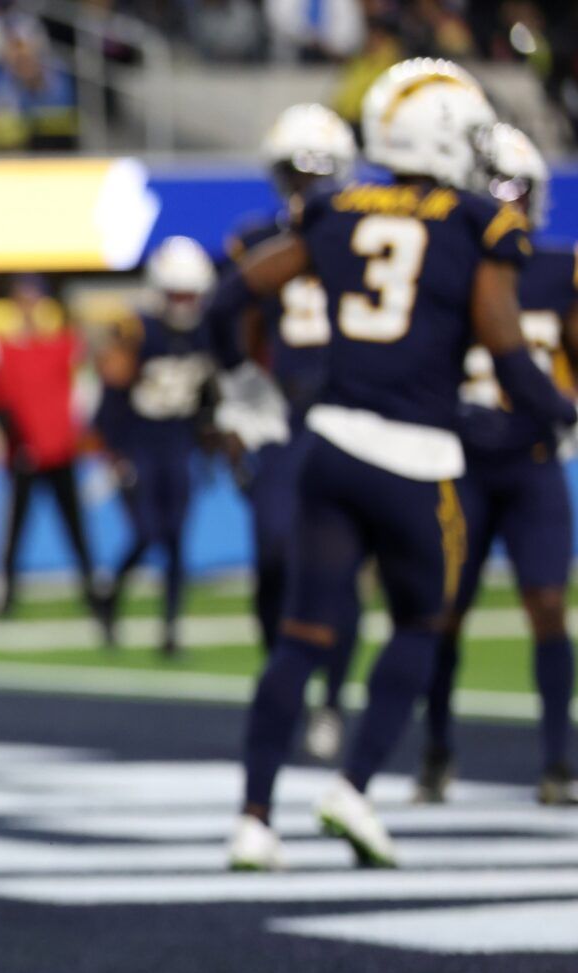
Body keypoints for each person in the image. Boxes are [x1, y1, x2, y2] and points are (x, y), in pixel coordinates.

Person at [211, 61, 575, 873]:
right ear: (444, 132)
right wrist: (560, 410)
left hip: (331, 444)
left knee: (300, 639)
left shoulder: (337, 206)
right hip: (419, 457)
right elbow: (513, 358)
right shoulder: (480, 223)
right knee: (419, 625)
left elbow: (226, 301)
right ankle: (353, 787)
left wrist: (241, 389)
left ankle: (254, 820)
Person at [418, 124, 577, 806]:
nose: (509, 206)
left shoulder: (559, 268)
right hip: (461, 462)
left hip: (533, 460)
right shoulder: (445, 268)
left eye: (518, 192)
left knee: (547, 605)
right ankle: (436, 750)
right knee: (444, 612)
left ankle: (558, 761)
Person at [220, 102, 360, 762]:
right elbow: (238, 326)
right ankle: (287, 682)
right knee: (274, 558)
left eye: (316, 171)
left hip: (350, 405)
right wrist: (238, 399)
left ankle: (332, 695)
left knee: (344, 568)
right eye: (294, 172)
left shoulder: (364, 236)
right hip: (283, 412)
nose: (305, 186)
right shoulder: (256, 240)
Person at [96, 237, 218, 656]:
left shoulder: (207, 332)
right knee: (148, 533)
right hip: (142, 444)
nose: (184, 302)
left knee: (177, 541)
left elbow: (209, 397)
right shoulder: (137, 330)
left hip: (180, 444)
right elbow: (111, 396)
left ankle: (170, 630)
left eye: (190, 293)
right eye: (177, 293)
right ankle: (110, 597)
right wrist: (114, 453)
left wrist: (212, 440)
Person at [0, 275, 101, 619]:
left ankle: (93, 593)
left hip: (60, 451)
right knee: (14, 531)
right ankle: (5, 597)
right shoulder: (2, 347)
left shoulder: (63, 345)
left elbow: (85, 387)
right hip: (24, 454)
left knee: (77, 529)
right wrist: (15, 440)